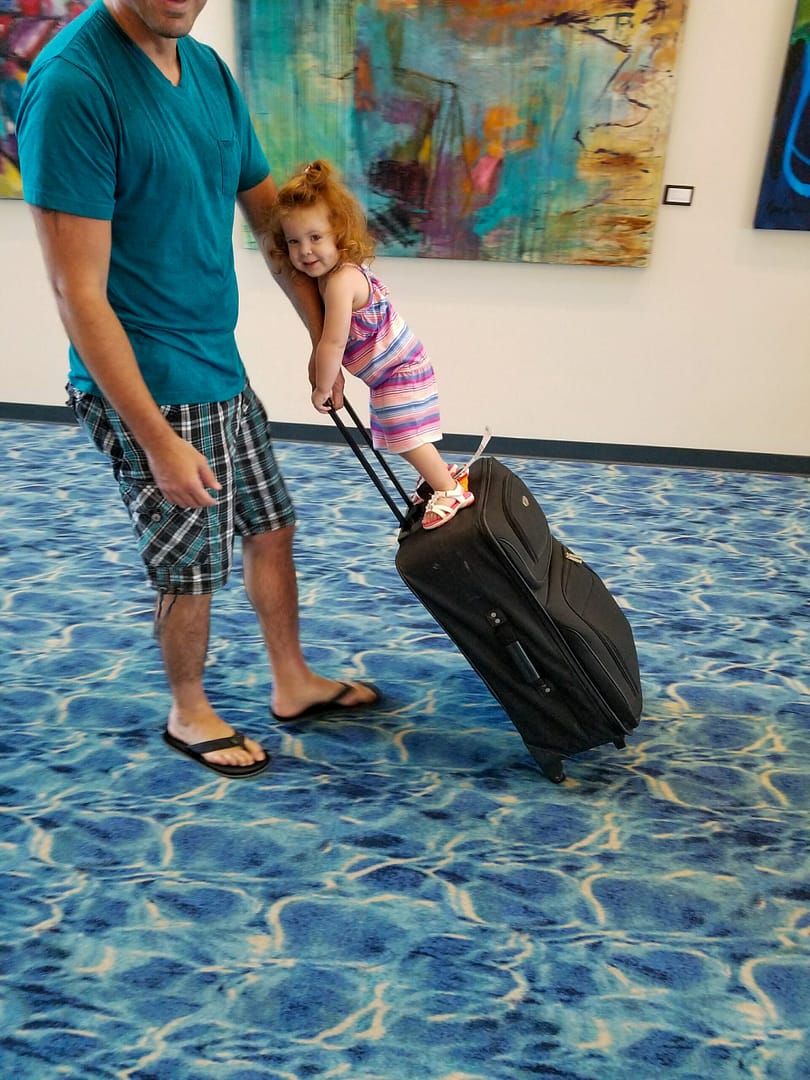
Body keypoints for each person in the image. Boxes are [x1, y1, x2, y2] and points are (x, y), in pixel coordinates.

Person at [16, 0, 381, 779]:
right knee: (190, 564)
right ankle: (189, 710)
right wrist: (155, 440)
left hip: (218, 362)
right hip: (151, 384)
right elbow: (78, 294)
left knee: (270, 524)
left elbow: (271, 226)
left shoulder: (209, 73)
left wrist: (327, 342)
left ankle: (293, 681)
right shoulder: (74, 85)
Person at [269, 159, 475, 531]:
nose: (305, 251)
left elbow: (332, 342)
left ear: (338, 232)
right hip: (392, 372)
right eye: (294, 241)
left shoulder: (341, 281)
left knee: (404, 434)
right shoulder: (329, 278)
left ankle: (448, 488)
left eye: (315, 237)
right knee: (402, 432)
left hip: (400, 370)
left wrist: (320, 386)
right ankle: (443, 475)